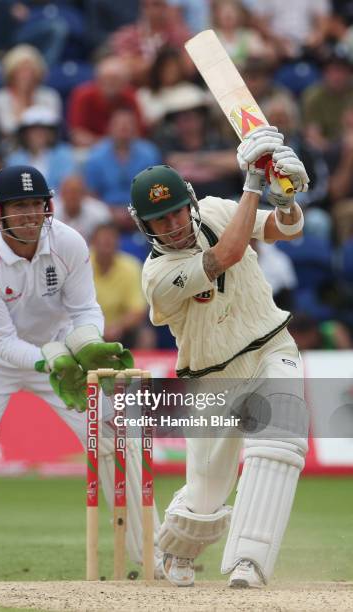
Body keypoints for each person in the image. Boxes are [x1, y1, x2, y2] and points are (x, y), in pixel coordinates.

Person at [0, 164, 161, 582]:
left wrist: (88, 344)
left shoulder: (68, 242)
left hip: (59, 350)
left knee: (114, 434)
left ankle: (150, 553)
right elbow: (0, 341)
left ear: (48, 206)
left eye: (36, 204)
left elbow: (84, 309)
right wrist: (48, 360)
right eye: (19, 207)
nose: (30, 215)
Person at [128, 127, 310, 588]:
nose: (171, 224)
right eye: (159, 220)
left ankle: (249, 561)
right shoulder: (158, 274)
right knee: (206, 494)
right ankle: (174, 549)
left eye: (175, 212)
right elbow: (226, 254)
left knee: (281, 438)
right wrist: (252, 181)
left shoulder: (213, 209)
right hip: (212, 378)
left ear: (189, 201)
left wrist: (286, 197)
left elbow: (283, 230)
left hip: (270, 343)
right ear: (142, 225)